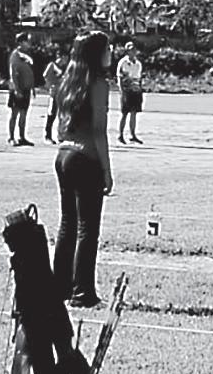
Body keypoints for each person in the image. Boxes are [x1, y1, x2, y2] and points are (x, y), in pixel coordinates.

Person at [53, 31, 113, 309]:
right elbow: (99, 130)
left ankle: (60, 287)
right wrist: (106, 169)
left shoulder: (68, 80)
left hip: (64, 154)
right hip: (86, 157)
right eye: (107, 49)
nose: (110, 53)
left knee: (68, 224)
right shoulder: (98, 84)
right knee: (88, 229)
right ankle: (83, 292)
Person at [7, 33, 35, 146]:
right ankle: (11, 137)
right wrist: (16, 89)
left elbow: (29, 71)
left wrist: (32, 87)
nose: (29, 43)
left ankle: (22, 137)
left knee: (24, 114)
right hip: (18, 88)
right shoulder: (16, 55)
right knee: (15, 113)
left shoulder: (27, 55)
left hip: (26, 88)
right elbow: (13, 72)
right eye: (27, 41)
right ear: (21, 42)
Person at [116, 42, 144, 144]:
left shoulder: (138, 64)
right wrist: (122, 91)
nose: (133, 51)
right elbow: (120, 77)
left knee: (134, 113)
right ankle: (120, 135)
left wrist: (140, 89)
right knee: (124, 113)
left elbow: (139, 78)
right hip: (127, 91)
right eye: (131, 50)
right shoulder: (123, 62)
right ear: (127, 51)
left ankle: (133, 134)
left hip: (136, 90)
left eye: (134, 49)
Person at [43, 51, 63, 144]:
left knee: (62, 115)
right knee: (52, 114)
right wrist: (51, 85)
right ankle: (48, 136)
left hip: (63, 93)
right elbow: (45, 76)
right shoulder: (52, 65)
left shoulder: (65, 67)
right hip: (55, 93)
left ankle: (61, 135)